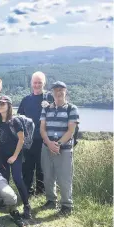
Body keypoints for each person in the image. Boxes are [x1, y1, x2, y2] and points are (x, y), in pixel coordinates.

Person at [0, 95, 31, 219]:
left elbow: (21, 140)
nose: (0, 106)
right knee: (4, 179)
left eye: (3, 104)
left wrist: (15, 156)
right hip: (2, 154)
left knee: (17, 179)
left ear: (9, 106)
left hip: (15, 154)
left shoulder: (15, 121)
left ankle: (27, 205)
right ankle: (5, 199)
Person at [40, 81, 79, 216]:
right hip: (46, 147)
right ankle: (51, 201)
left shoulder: (72, 108)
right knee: (48, 176)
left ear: (65, 91)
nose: (59, 92)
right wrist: (49, 143)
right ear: (52, 92)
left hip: (64, 149)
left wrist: (57, 145)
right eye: (56, 89)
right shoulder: (46, 108)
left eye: (61, 89)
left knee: (64, 178)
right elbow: (42, 129)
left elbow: (70, 131)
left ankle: (67, 205)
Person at [17, 71, 54, 196]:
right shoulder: (26, 100)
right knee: (27, 167)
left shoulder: (50, 98)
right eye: (35, 82)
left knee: (42, 167)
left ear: (44, 83)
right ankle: (27, 191)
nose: (37, 85)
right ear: (31, 83)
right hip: (28, 141)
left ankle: (41, 192)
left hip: (44, 140)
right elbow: (19, 119)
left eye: (40, 82)